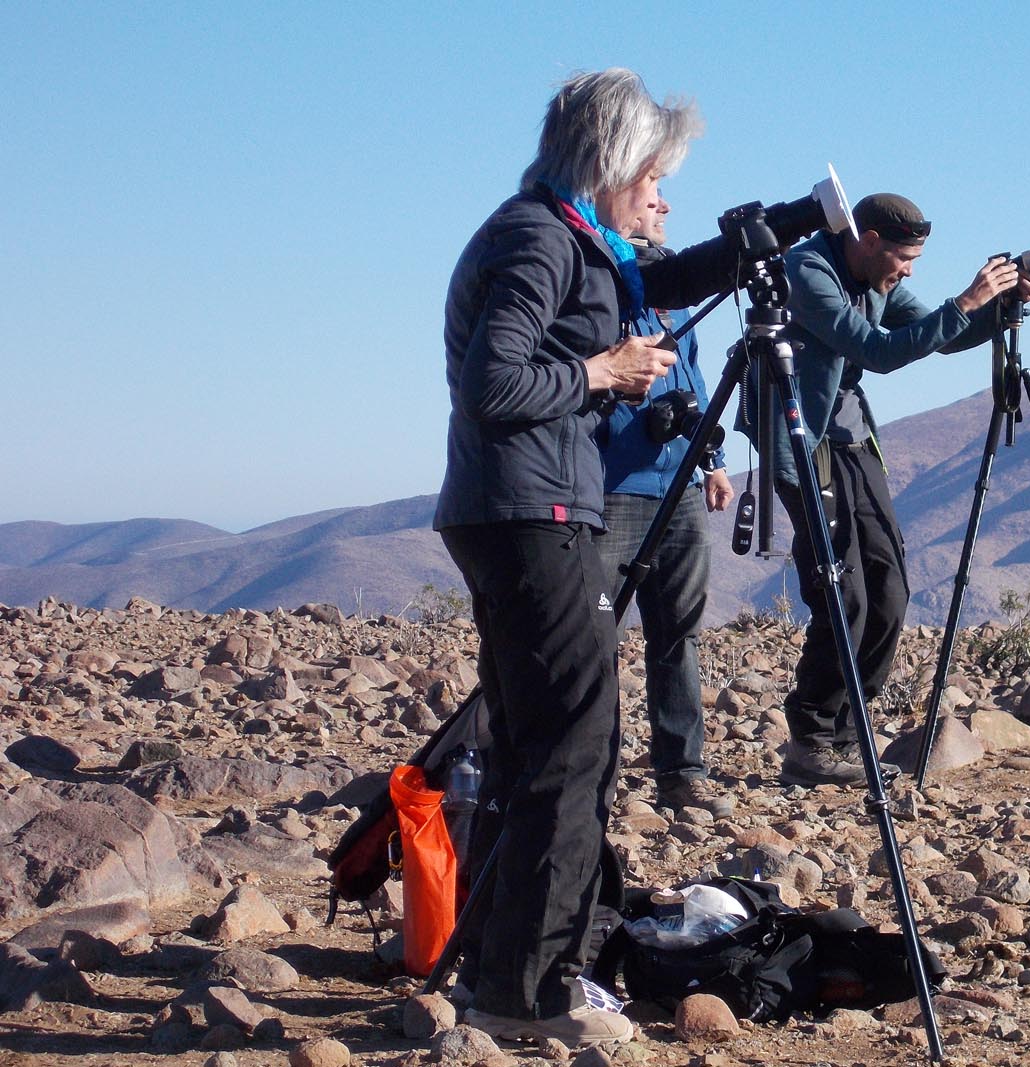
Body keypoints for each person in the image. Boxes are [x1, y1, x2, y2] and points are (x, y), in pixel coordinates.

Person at [432, 68, 732, 1047]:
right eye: (654, 175)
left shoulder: (564, 237)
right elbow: (495, 381)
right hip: (531, 511)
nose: (662, 195)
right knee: (574, 736)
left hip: (520, 506)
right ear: (609, 166)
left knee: (534, 738)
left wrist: (759, 239)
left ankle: (496, 960)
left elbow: (653, 279)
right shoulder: (536, 237)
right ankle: (525, 990)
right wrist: (606, 370)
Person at [769, 193, 1030, 787]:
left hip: (852, 437)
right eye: (902, 257)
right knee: (844, 594)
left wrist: (1000, 307)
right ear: (868, 241)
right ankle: (814, 740)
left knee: (888, 591)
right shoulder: (808, 271)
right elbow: (878, 351)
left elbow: (938, 335)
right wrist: (964, 301)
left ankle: (849, 732)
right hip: (803, 439)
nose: (908, 270)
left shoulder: (878, 277)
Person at [596, 197, 735, 818]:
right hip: (610, 483)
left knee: (677, 632)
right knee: (593, 635)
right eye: (652, 194)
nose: (666, 207)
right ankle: (587, 772)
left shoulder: (676, 289)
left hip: (676, 482)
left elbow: (695, 376)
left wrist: (710, 459)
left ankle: (682, 771)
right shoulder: (598, 280)